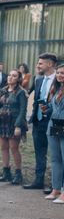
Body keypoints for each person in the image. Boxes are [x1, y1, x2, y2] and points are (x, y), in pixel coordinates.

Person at [26, 53, 58, 192]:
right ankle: (39, 180)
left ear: (50, 64)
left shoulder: (60, 79)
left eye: (40, 63)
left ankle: (55, 184)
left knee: (56, 154)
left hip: (54, 122)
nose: (37, 66)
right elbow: (36, 100)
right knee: (40, 152)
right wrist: (33, 117)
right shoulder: (38, 80)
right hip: (38, 121)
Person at [0, 69, 28, 185]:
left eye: (14, 76)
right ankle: (6, 172)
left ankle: (18, 173)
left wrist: (18, 126)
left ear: (18, 79)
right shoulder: (3, 90)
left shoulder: (21, 92)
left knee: (14, 148)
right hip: (2, 122)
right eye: (10, 75)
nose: (10, 77)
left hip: (14, 122)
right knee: (3, 147)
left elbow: (23, 110)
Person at [44, 63, 64, 203]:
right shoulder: (56, 89)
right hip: (53, 126)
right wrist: (46, 108)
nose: (59, 75)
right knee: (55, 159)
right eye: (58, 73)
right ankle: (56, 188)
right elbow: (52, 109)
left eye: (62, 73)